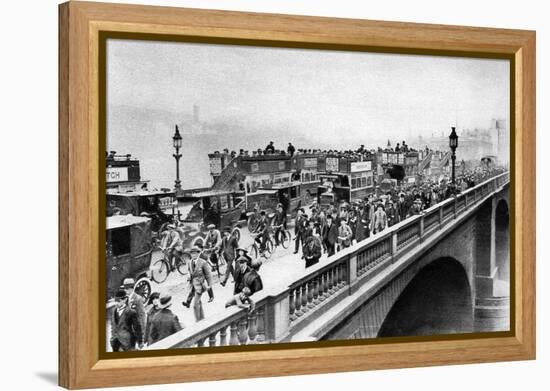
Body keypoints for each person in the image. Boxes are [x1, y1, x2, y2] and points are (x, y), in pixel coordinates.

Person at [182, 247, 214, 322]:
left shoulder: (203, 262)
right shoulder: (190, 262)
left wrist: (209, 285)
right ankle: (202, 319)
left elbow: (208, 275)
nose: (193, 255)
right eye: (192, 254)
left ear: (198, 254)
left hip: (200, 285)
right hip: (193, 284)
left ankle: (198, 322)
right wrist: (189, 276)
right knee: (199, 302)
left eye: (195, 253)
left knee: (195, 305)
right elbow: (189, 272)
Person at [122, 278, 146, 343]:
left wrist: (142, 334)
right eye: (124, 288)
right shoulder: (127, 299)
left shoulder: (138, 299)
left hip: (137, 330)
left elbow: (142, 316)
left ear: (131, 288)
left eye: (126, 288)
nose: (125, 290)